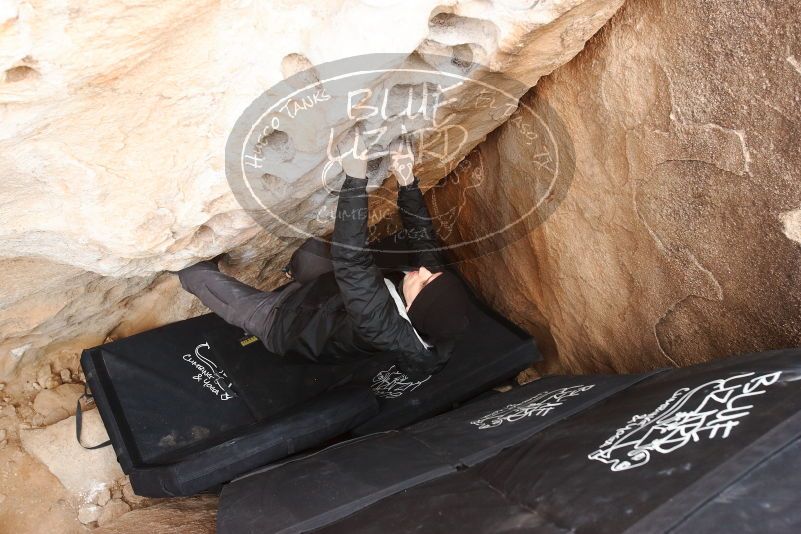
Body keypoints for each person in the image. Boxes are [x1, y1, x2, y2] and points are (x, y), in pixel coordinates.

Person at [176, 134, 470, 379]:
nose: (422, 271)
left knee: (197, 274)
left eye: (423, 283)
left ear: (412, 308)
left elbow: (351, 259)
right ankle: (291, 273)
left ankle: (187, 268)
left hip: (288, 326)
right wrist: (407, 181)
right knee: (309, 248)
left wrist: (355, 178)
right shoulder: (432, 291)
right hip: (331, 295)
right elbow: (422, 237)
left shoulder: (380, 326)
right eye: (433, 274)